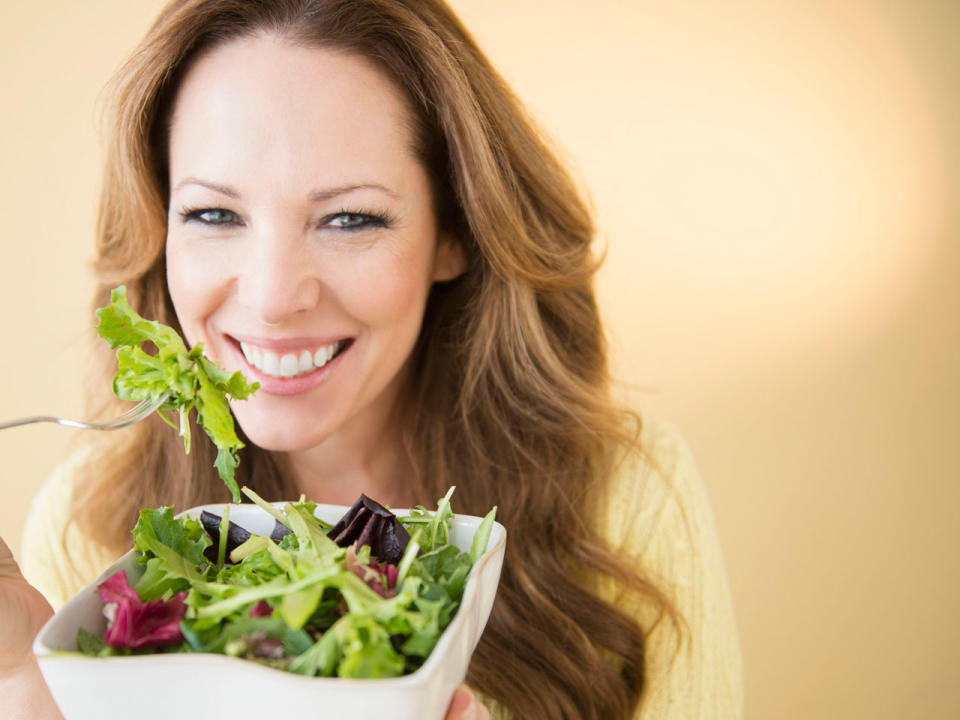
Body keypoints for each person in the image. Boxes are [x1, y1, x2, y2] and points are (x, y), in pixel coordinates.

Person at [1, 1, 743, 718]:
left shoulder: (623, 501)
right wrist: (29, 695)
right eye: (214, 214)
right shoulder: (85, 533)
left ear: (455, 233)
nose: (272, 297)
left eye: (349, 218)